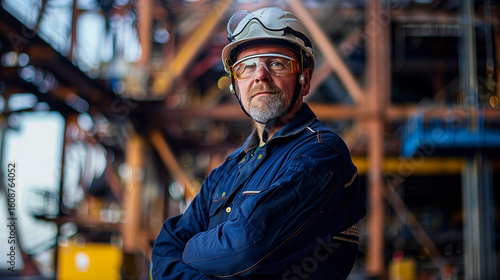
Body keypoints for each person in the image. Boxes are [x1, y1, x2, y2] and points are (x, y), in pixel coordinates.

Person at [152, 6, 366, 280]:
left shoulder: (321, 154)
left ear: (305, 79)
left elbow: (244, 249)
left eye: (277, 63)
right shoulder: (228, 170)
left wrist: (189, 249)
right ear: (235, 84)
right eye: (246, 67)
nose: (260, 75)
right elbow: (164, 250)